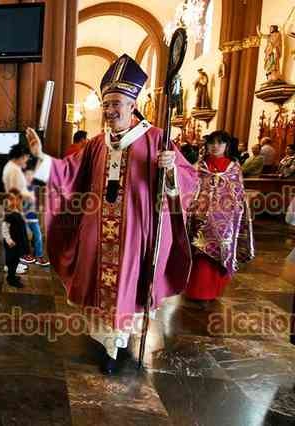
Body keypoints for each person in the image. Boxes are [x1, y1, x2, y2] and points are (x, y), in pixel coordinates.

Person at [27, 54, 198, 375]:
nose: (109, 110)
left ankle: (115, 346)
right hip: (97, 229)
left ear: (133, 105)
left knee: (126, 287)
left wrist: (171, 169)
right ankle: (107, 340)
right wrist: (41, 158)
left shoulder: (156, 139)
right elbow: (68, 173)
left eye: (116, 103)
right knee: (97, 281)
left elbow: (189, 182)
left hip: (135, 232)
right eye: (106, 104)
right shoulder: (96, 144)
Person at [185, 131, 254, 306]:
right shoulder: (199, 165)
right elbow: (189, 186)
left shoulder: (233, 167)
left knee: (215, 257)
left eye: (220, 143)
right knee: (198, 254)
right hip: (198, 217)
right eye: (211, 143)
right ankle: (196, 291)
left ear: (227, 145)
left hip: (224, 220)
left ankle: (210, 291)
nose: (215, 146)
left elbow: (238, 193)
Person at [2, 143, 35, 267]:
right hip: (13, 207)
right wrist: (30, 196)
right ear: (21, 156)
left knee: (16, 236)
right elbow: (16, 190)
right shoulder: (13, 169)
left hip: (15, 206)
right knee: (14, 236)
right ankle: (11, 266)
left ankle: (14, 264)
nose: (27, 160)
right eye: (26, 157)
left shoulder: (12, 167)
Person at [2, 189, 29, 288]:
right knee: (12, 260)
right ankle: (11, 279)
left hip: (18, 241)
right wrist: (9, 240)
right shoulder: (9, 213)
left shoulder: (17, 211)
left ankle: (12, 275)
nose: (15, 201)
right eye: (12, 199)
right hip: (12, 242)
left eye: (17, 199)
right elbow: (5, 229)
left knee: (16, 259)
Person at [24, 167, 49, 267]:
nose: (30, 177)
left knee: (38, 236)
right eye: (28, 175)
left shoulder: (35, 187)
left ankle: (39, 257)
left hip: (33, 217)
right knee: (24, 237)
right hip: (23, 217)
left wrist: (39, 206)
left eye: (31, 175)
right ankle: (25, 255)